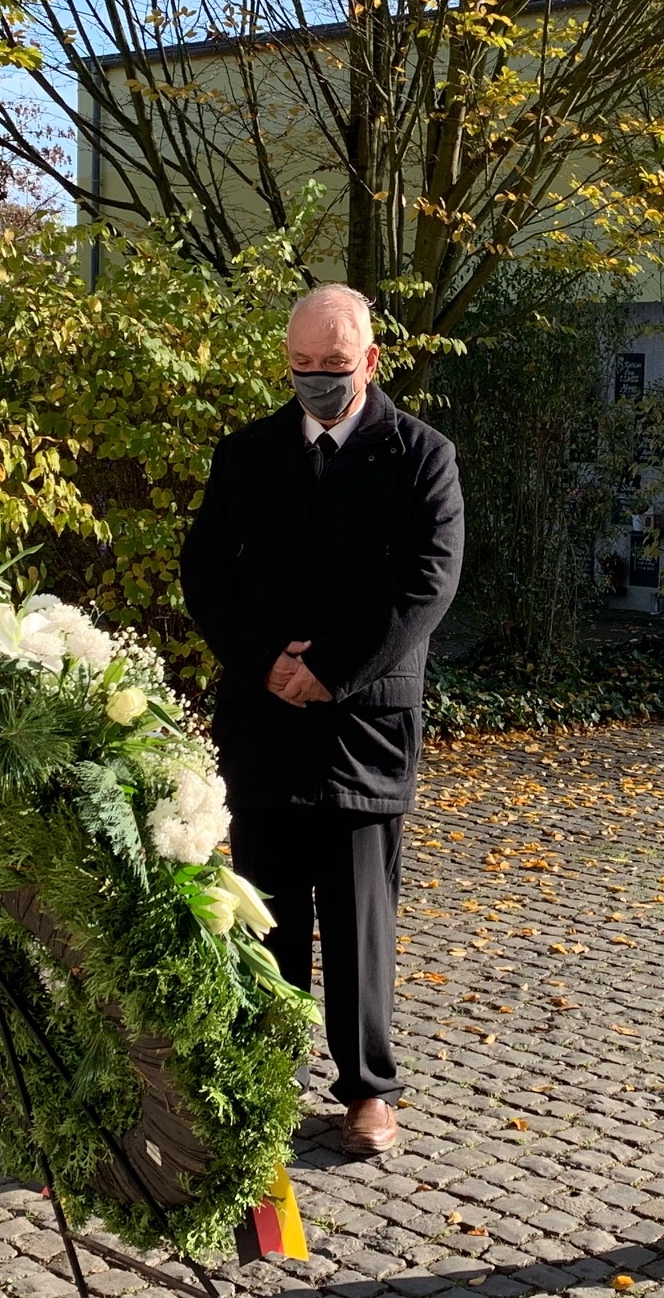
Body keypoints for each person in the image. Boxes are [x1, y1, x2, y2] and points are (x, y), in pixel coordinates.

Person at [179, 284, 463, 1157]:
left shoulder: (422, 455)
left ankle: (367, 1088)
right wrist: (268, 661)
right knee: (262, 912)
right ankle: (264, 1080)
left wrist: (330, 671)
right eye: (301, 368)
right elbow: (204, 575)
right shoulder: (245, 455)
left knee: (357, 918)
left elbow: (428, 582)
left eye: (333, 368)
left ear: (370, 360)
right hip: (262, 717)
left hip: (363, 723)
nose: (316, 383)